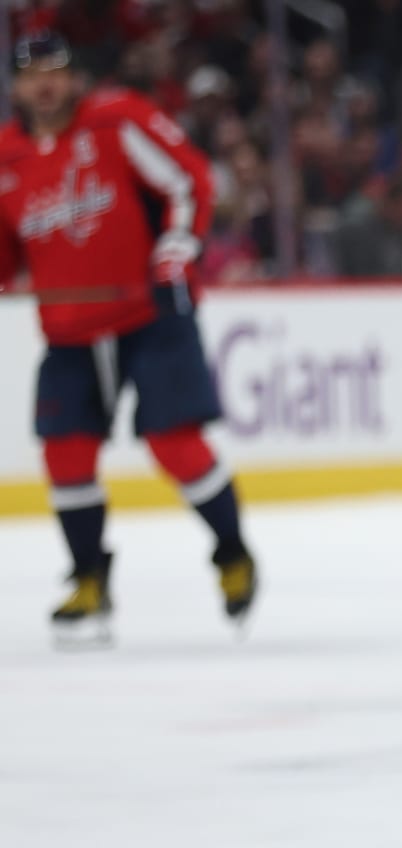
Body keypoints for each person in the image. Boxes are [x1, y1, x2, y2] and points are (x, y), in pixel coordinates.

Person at [0, 32, 255, 647]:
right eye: (31, 74)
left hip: (149, 313)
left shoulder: (117, 120)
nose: (44, 85)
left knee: (175, 444)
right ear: (14, 87)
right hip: (67, 328)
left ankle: (232, 552)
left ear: (75, 77)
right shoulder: (5, 155)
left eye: (55, 71)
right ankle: (88, 578)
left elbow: (189, 180)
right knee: (65, 453)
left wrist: (175, 249)